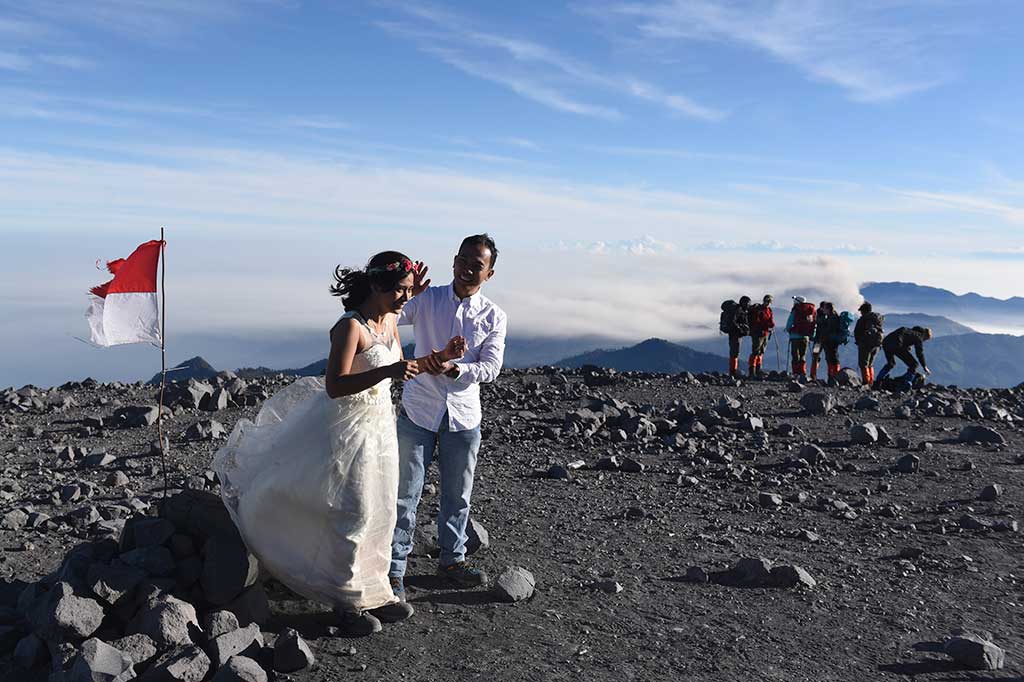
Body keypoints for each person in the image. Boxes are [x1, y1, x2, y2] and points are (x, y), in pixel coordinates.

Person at [212, 252, 466, 636]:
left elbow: (404, 369)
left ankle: (376, 592)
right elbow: (335, 385)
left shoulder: (391, 320)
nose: (405, 298)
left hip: (381, 426)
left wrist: (439, 358)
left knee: (382, 508)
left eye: (409, 290)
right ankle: (346, 602)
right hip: (347, 429)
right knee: (354, 511)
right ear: (377, 285)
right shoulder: (350, 327)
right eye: (400, 289)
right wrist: (389, 371)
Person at [390, 234, 508, 600]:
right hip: (419, 408)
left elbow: (492, 367)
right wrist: (408, 294)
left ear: (489, 273)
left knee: (457, 495)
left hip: (463, 414)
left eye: (478, 264)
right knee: (404, 492)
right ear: (454, 261)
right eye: (464, 260)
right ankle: (394, 569)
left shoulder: (494, 316)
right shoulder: (427, 299)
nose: (468, 269)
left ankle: (452, 560)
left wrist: (456, 370)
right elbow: (390, 318)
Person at [785, 295, 817, 378]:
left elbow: (789, 322)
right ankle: (803, 372)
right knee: (803, 355)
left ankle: (795, 373)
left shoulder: (796, 310)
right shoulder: (809, 311)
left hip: (795, 336)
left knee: (795, 355)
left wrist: (789, 329)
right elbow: (813, 323)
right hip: (805, 337)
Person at [854, 302, 885, 385]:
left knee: (863, 364)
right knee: (870, 364)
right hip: (877, 344)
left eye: (861, 311)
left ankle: (866, 382)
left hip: (865, 344)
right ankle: (871, 381)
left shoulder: (865, 319)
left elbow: (865, 330)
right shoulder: (877, 319)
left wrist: (861, 339)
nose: (860, 313)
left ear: (863, 311)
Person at [810, 302, 842, 382]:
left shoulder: (826, 317)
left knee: (819, 357)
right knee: (828, 358)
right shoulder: (831, 316)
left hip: (821, 341)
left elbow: (824, 327)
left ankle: (814, 375)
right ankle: (832, 376)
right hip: (823, 341)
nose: (823, 309)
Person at [747, 295, 775, 377]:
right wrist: (768, 324)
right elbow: (757, 321)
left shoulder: (769, 310)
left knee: (761, 352)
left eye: (769, 302)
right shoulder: (758, 310)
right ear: (764, 301)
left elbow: (771, 321)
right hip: (757, 333)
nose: (768, 303)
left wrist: (771, 324)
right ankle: (752, 371)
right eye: (767, 301)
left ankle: (757, 370)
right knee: (755, 351)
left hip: (765, 333)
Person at [724, 296, 751, 378]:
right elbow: (733, 321)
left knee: (734, 352)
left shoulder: (739, 310)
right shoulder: (738, 310)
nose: (749, 305)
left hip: (734, 334)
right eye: (748, 303)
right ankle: (733, 372)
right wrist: (740, 329)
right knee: (734, 353)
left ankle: (733, 371)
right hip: (735, 334)